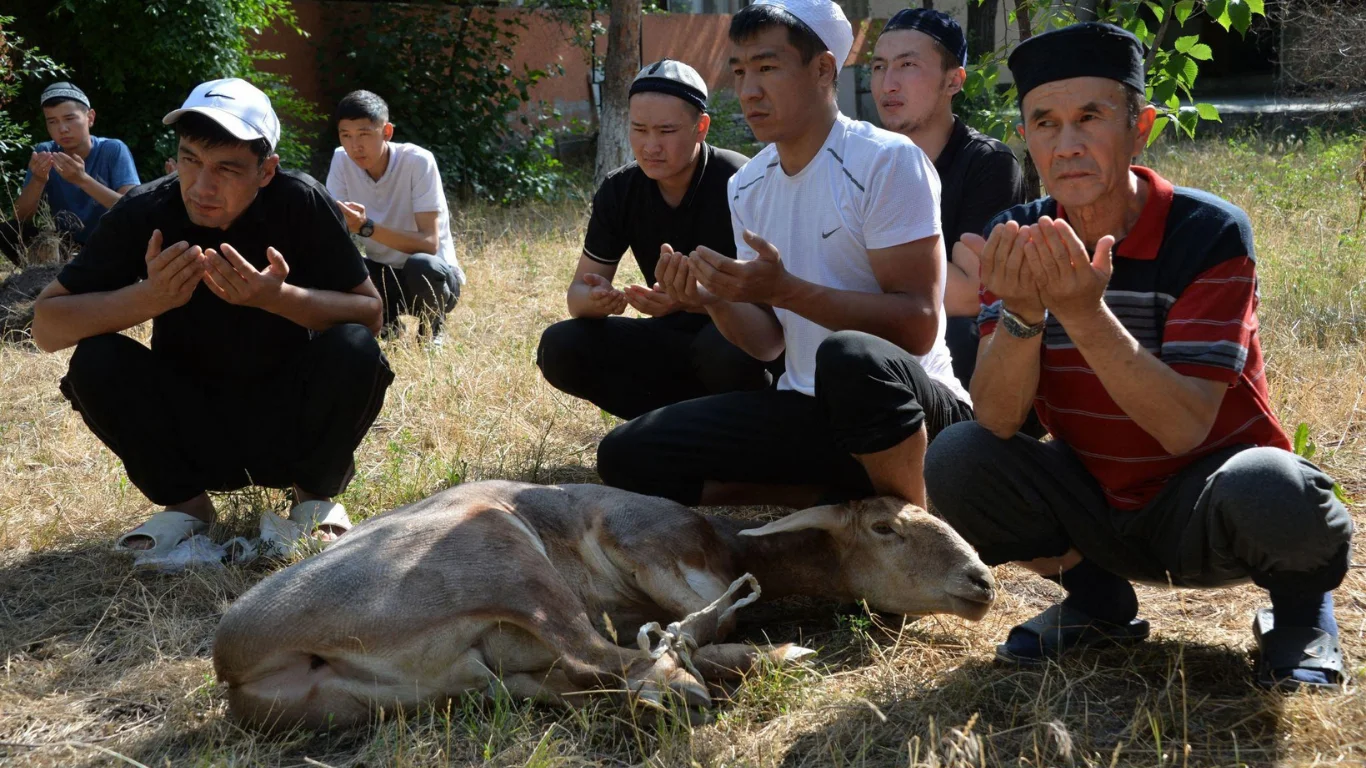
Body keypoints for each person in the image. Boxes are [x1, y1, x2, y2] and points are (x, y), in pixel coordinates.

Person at [924, 23, 1352, 691]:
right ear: (1027, 137)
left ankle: (1301, 618)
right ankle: (1097, 602)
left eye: (1090, 117)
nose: (1067, 144)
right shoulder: (1019, 237)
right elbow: (1000, 418)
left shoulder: (1207, 233)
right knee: (958, 456)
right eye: (1045, 123)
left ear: (1140, 127)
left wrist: (1083, 312)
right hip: (1098, 502)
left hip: (1210, 503)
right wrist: (1023, 312)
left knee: (1280, 487)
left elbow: (1183, 427)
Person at [596, 0, 973, 510]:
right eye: (739, 71)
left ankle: (910, 522)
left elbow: (918, 325)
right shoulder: (749, 185)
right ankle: (833, 495)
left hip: (914, 408)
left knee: (850, 356)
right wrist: (713, 298)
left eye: (767, 68)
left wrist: (787, 291)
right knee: (626, 456)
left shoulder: (886, 162)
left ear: (823, 69)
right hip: (808, 405)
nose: (749, 90)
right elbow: (769, 343)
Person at [30, 78, 393, 557]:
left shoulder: (301, 202)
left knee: (354, 348)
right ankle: (187, 508)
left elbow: (370, 314)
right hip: (188, 425)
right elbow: (46, 327)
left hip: (289, 424)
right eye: (191, 160)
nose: (202, 187)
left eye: (227, 168)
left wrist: (277, 297)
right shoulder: (147, 209)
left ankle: (312, 501)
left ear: (266, 171)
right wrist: (148, 298)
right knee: (96, 358)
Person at [536, 60, 775, 420]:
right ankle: (665, 425)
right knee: (560, 345)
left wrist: (695, 300)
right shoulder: (620, 189)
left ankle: (736, 429)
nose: (650, 146)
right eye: (639, 129)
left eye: (666, 131)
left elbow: (773, 311)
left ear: (701, 128)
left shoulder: (741, 182)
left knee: (720, 350)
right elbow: (577, 296)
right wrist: (600, 299)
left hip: (737, 339)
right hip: (667, 336)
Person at [871, 9, 1026, 389]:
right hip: (874, 327)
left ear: (953, 81)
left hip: (951, 354)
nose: (888, 84)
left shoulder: (987, 163)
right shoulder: (862, 159)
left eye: (907, 65)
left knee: (958, 332)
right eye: (878, 67)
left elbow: (970, 295)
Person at [326, 90, 464, 342]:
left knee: (422, 265)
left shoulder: (418, 161)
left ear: (387, 132)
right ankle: (386, 325)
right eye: (346, 135)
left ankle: (433, 328)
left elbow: (429, 243)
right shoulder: (341, 159)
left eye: (364, 134)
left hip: (435, 279)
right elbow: (333, 229)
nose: (355, 146)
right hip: (383, 274)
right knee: (335, 264)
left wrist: (366, 227)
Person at [2, 82, 140, 264]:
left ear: (90, 118)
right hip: (66, 245)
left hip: (110, 241)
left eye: (69, 118)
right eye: (52, 121)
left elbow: (133, 208)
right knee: (6, 231)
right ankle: (46, 274)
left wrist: (82, 180)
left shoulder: (113, 149)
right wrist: (38, 180)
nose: (62, 129)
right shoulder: (46, 152)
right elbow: (20, 218)